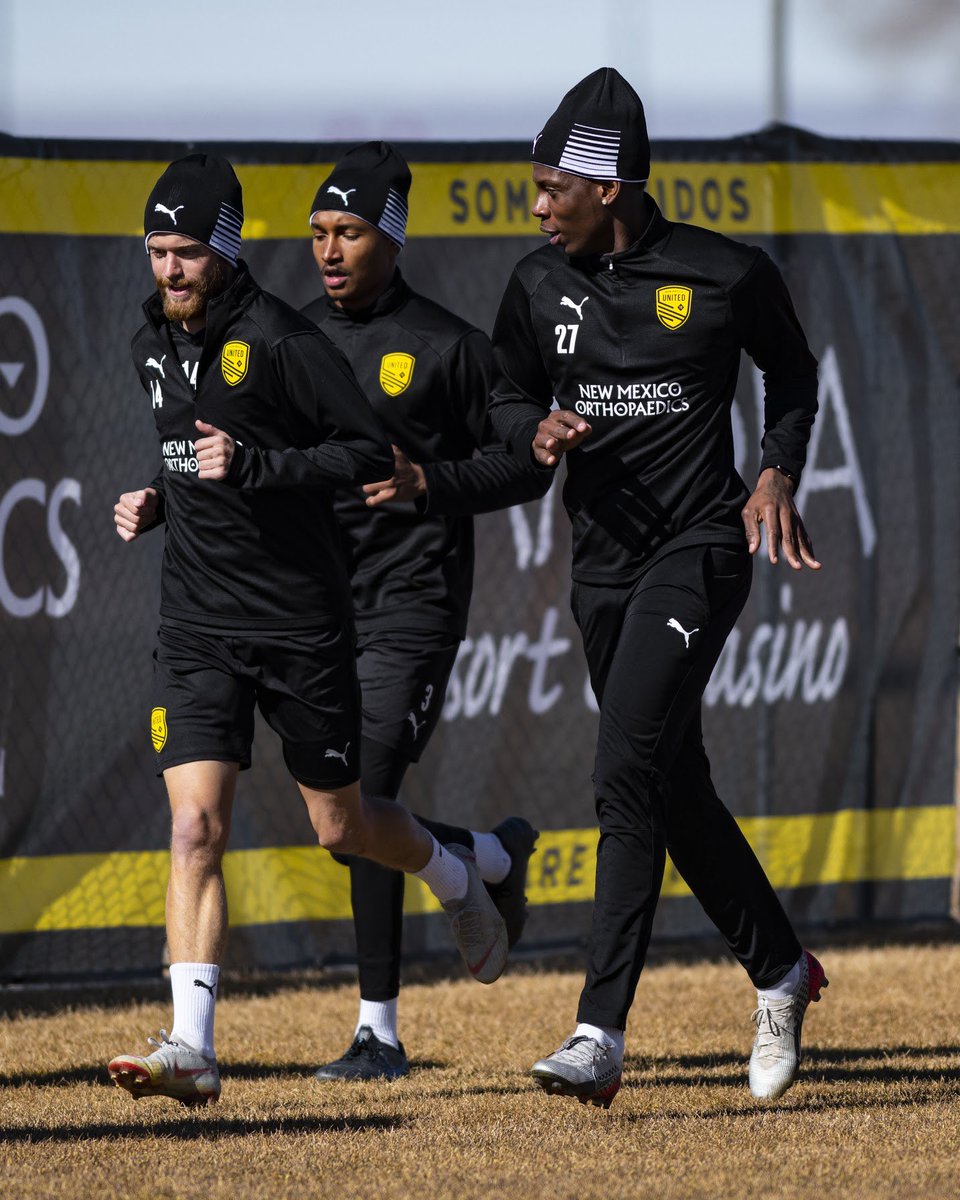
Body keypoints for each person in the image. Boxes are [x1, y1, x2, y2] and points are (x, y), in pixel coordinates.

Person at [107, 154, 509, 1108]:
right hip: (197, 626)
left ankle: (454, 874)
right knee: (196, 825)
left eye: (188, 254)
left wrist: (256, 465)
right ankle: (193, 1046)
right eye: (158, 252)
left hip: (299, 625)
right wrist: (160, 499)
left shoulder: (284, 342)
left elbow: (365, 452)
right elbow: (189, 457)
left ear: (227, 251)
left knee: (345, 825)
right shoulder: (148, 346)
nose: (169, 271)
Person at [488, 69, 827, 1108]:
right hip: (600, 564)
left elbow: (795, 372)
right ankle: (780, 969)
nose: (539, 207)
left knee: (624, 766)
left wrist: (775, 470)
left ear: (610, 186)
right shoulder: (536, 285)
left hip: (700, 549)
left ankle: (599, 1032)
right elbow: (505, 388)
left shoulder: (722, 273)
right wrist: (529, 428)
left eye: (554, 188)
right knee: (671, 787)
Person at [301, 142, 549, 1081]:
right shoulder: (291, 340)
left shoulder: (448, 347)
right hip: (315, 612)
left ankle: (379, 1033)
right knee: (342, 819)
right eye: (319, 232)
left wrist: (428, 483)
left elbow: (526, 466)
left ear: (391, 240)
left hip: (413, 605)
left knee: (362, 795)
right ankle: (484, 860)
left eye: (350, 232)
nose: (330, 250)